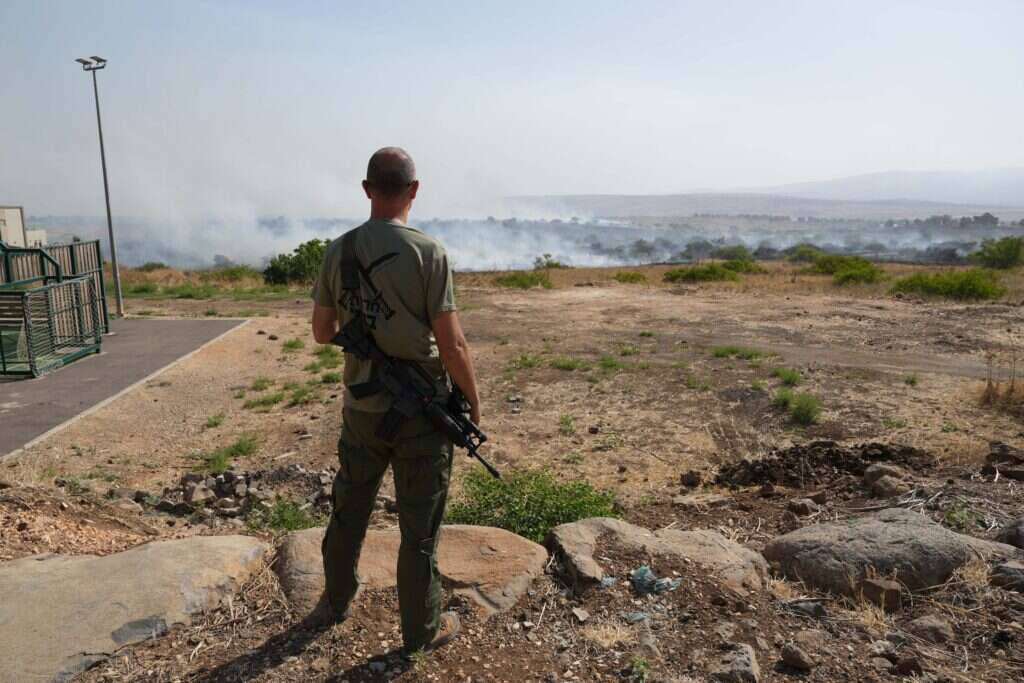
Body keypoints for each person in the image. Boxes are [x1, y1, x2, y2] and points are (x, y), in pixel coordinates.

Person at [309, 147, 481, 655]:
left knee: (348, 512)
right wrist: (472, 401)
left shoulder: (338, 251)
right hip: (422, 416)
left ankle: (334, 604)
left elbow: (321, 333)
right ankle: (420, 631)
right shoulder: (430, 254)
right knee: (419, 529)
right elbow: (452, 345)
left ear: (366, 189)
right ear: (414, 190)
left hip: (362, 411)